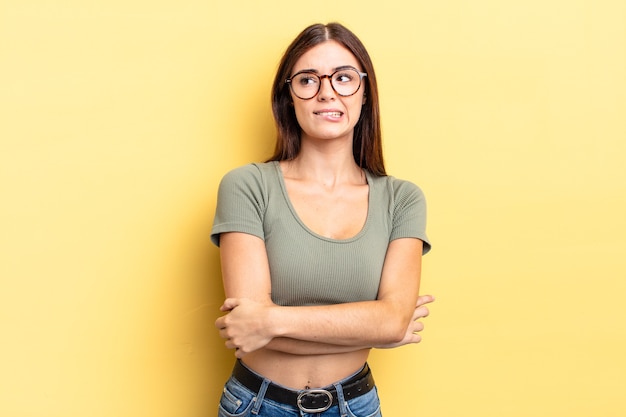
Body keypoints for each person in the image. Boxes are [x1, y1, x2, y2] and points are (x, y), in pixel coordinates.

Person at [211, 22, 434, 417]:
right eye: (308, 80)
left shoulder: (402, 199)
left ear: (365, 93)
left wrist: (271, 321)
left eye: (344, 78)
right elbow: (248, 330)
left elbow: (394, 320)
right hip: (256, 405)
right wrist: (371, 328)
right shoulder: (247, 186)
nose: (327, 91)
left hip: (356, 406)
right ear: (289, 96)